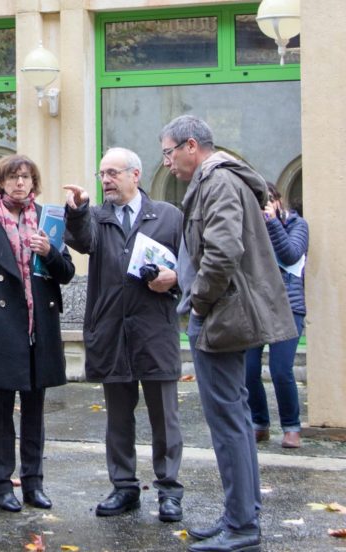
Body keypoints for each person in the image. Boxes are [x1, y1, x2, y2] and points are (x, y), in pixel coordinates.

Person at [159, 115, 296, 552]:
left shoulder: (216, 182)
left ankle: (241, 527)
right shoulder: (224, 180)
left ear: (191, 145)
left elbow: (221, 253)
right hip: (228, 312)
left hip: (221, 316)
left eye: (168, 152)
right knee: (235, 418)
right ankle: (240, 515)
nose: (168, 163)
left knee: (228, 424)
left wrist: (198, 302)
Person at [63, 147, 184, 522]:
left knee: (165, 416)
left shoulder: (167, 216)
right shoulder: (96, 218)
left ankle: (168, 491)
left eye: (113, 173)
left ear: (135, 175)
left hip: (154, 331)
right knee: (118, 417)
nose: (106, 180)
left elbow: (191, 266)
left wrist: (175, 280)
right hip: (112, 331)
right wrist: (78, 209)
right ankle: (124, 487)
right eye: (102, 174)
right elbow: (80, 241)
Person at [0, 154, 75, 513]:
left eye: (25, 177)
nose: (19, 183)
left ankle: (34, 483)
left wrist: (50, 252)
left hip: (39, 325)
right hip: (3, 326)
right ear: (0, 182)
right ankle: (2, 485)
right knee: (0, 410)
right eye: (12, 177)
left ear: (33, 182)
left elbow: (66, 272)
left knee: (35, 410)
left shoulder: (48, 219)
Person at [245, 183, 309, 449]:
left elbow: (291, 254)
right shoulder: (250, 228)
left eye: (268, 201)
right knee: (248, 370)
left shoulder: (297, 224)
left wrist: (271, 223)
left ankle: (291, 427)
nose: (264, 207)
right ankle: (260, 424)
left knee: (281, 370)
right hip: (255, 305)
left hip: (287, 306)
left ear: (278, 201)